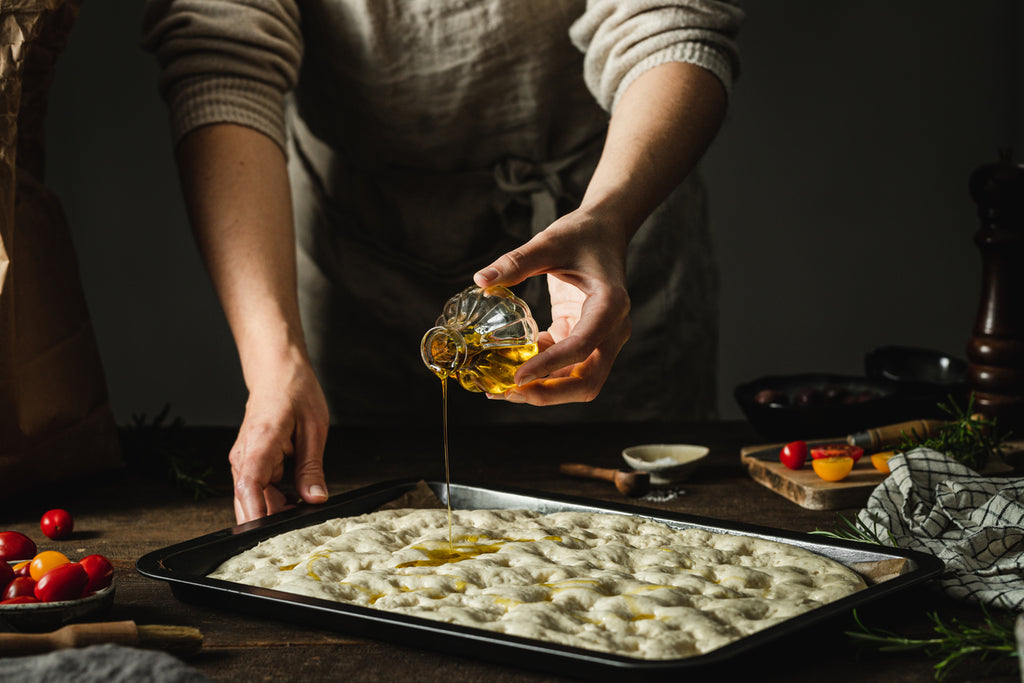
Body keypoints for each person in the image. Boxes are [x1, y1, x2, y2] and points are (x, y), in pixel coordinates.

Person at [141, 0, 743, 524]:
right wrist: (274, 360)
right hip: (357, 253)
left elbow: (672, 22)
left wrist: (609, 215)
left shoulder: (611, 214)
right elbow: (223, 53)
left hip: (609, 211)